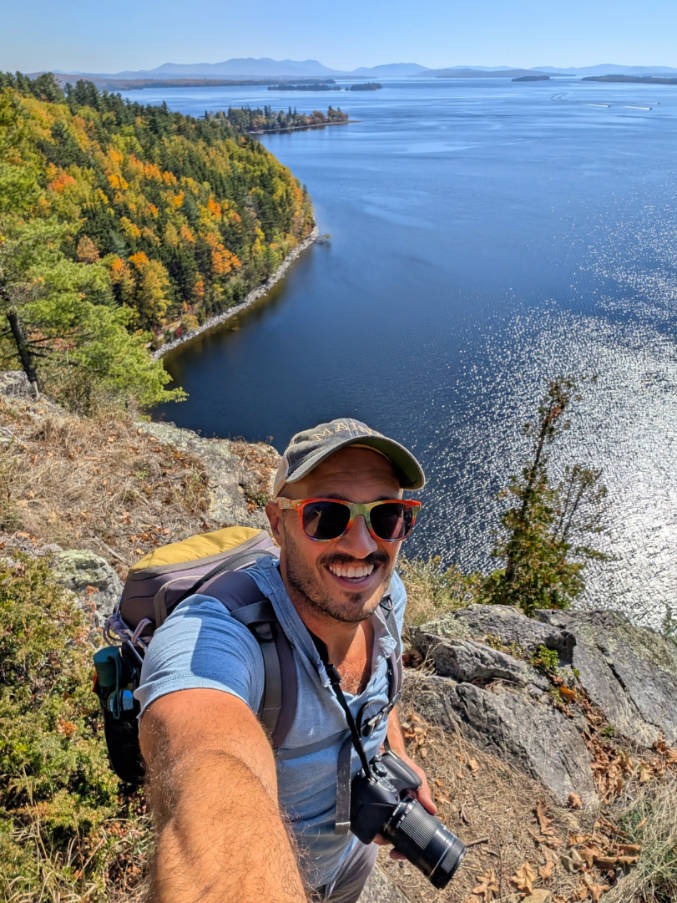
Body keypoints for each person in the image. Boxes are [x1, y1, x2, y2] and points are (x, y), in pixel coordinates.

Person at [137, 417, 435, 902]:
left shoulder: (386, 596)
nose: (363, 547)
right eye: (326, 516)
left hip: (352, 858)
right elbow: (207, 756)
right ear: (278, 524)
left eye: (386, 516)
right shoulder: (221, 635)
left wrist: (394, 751)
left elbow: (384, 672)